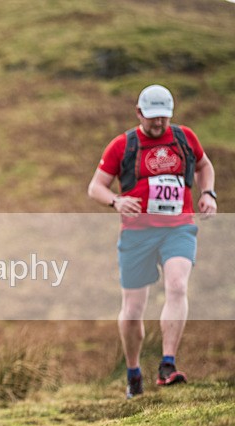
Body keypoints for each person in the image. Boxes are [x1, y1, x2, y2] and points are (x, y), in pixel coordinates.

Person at [87, 84, 216, 399]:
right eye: (152, 118)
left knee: (177, 286)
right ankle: (133, 372)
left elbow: (204, 165)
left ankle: (167, 365)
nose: (159, 124)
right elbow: (95, 187)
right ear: (138, 113)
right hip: (137, 233)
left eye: (164, 118)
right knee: (132, 310)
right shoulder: (122, 145)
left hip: (178, 228)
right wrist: (116, 202)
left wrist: (208, 193)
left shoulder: (185, 138)